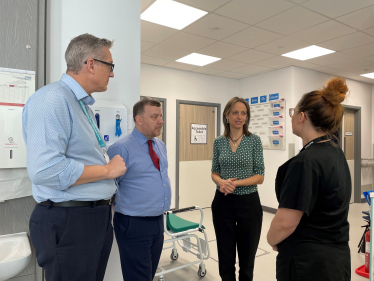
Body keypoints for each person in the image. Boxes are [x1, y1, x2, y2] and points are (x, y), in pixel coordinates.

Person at [22, 33, 127, 281]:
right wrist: (106, 171)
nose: (112, 74)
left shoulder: (82, 105)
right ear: (90, 64)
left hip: (91, 218)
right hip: (70, 221)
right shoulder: (52, 99)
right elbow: (45, 170)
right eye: (109, 66)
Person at [267, 77, 351, 281]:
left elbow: (285, 223)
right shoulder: (335, 152)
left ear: (301, 116)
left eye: (292, 112)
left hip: (309, 264)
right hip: (336, 259)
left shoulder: (305, 162)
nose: (291, 117)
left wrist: (271, 239)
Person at [107, 97, 171, 281]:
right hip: (133, 223)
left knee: (148, 274)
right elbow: (110, 187)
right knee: (138, 277)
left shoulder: (160, 145)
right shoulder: (121, 148)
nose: (161, 121)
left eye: (161, 115)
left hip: (158, 221)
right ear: (139, 119)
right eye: (154, 116)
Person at [211, 97, 265, 281]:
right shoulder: (219, 142)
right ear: (226, 115)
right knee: (225, 255)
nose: (239, 116)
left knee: (247, 257)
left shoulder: (254, 141)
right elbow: (214, 172)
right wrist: (221, 182)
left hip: (248, 203)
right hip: (222, 203)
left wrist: (234, 183)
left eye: (243, 113)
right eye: (235, 112)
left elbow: (260, 176)